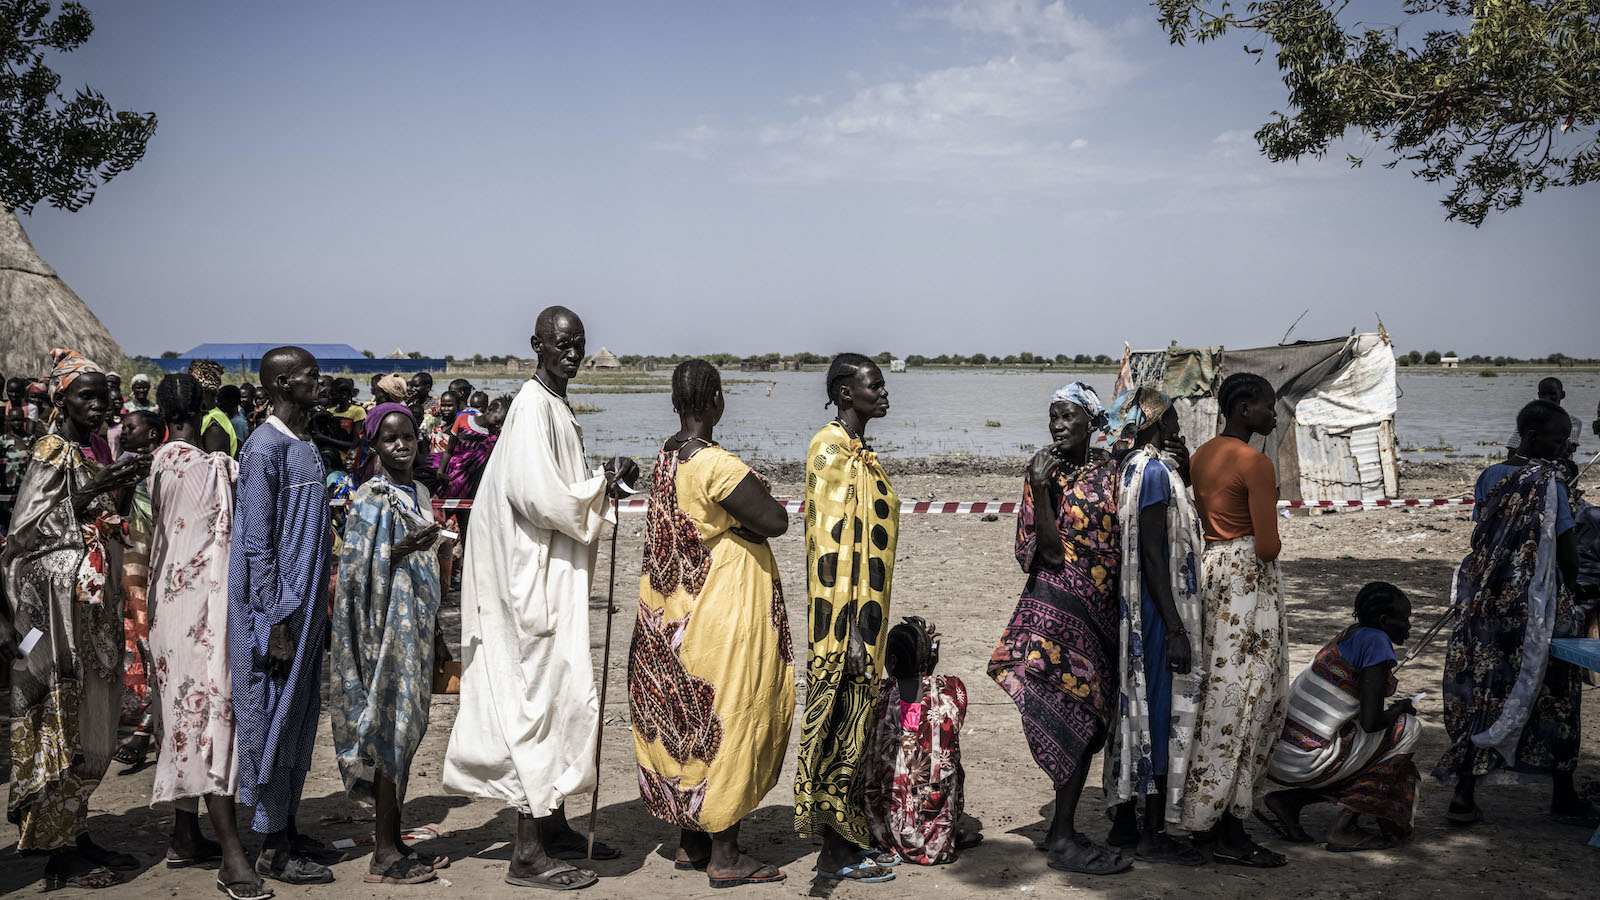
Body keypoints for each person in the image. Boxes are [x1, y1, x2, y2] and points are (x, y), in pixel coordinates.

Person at [443, 306, 638, 891]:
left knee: (558, 693)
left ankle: (552, 827)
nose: (572, 353)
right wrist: (603, 481)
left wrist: (600, 480)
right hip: (528, 585)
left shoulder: (554, 404)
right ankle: (527, 854)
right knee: (537, 703)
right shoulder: (531, 407)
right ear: (537, 345)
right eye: (562, 344)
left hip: (546, 575)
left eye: (578, 343)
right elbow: (541, 498)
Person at [629, 360, 792, 889]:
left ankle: (691, 840)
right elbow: (776, 519)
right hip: (721, 613)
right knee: (732, 717)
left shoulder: (667, 455)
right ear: (715, 399)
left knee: (688, 721)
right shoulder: (714, 464)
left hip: (674, 612)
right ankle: (726, 856)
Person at [0, 349, 150, 890]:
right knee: (59, 722)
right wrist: (91, 491)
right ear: (60, 397)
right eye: (86, 396)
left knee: (92, 723)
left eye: (102, 396)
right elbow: (25, 532)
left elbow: (99, 516)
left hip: (88, 609)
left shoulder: (85, 450)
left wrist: (118, 487)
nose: (99, 404)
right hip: (55, 612)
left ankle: (76, 830)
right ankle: (57, 850)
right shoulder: (50, 450)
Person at [1435, 399, 1600, 827]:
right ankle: (1562, 795)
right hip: (1538, 602)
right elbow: (1564, 546)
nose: (1565, 448)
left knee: (1485, 689)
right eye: (1558, 439)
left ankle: (1464, 795)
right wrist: (1571, 588)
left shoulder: (1490, 475)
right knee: (1558, 692)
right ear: (1531, 437)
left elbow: (1484, 533)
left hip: (1485, 599)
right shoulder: (1550, 482)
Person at [989, 382, 1128, 876]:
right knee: (1076, 712)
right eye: (1052, 417)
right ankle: (1065, 838)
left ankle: (1060, 829)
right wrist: (1043, 491)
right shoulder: (1041, 472)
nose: (1058, 425)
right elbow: (1044, 552)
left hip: (1101, 614)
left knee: (1093, 720)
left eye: (1068, 416)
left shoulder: (1111, 469)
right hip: (1055, 612)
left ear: (1091, 421)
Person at [143, 373, 269, 899]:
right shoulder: (215, 466)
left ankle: (185, 833)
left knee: (179, 715)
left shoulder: (159, 462)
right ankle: (231, 855)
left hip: (167, 608)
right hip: (203, 608)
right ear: (206, 406)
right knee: (211, 716)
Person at [228, 346, 337, 886]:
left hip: (308, 608)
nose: (320, 382)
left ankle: (289, 827)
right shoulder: (263, 448)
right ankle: (272, 845)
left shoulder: (306, 444)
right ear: (280, 382)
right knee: (273, 718)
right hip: (280, 613)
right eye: (310, 376)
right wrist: (272, 620)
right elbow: (254, 542)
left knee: (298, 718)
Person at [331, 403, 449, 886]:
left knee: (407, 736)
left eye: (409, 437)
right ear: (375, 446)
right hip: (384, 633)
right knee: (386, 735)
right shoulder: (369, 498)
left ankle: (396, 839)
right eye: (390, 439)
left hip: (417, 628)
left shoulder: (417, 491)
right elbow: (355, 575)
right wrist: (402, 548)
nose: (402, 445)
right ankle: (382, 855)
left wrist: (439, 634)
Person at [795, 353, 901, 884]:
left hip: (866, 620)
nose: (884, 394)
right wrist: (852, 632)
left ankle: (847, 839)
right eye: (874, 386)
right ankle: (834, 853)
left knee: (853, 733)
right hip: (844, 625)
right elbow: (831, 549)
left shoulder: (858, 450)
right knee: (841, 732)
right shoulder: (830, 451)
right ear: (844, 394)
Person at [1179, 372, 1289, 868]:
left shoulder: (1201, 454)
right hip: (1248, 582)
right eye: (1268, 406)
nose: (1273, 414)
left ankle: (1202, 815)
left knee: (1215, 695)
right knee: (1249, 698)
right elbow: (1267, 545)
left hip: (1211, 571)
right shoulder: (1257, 463)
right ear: (1245, 408)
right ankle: (1230, 829)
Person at [1102, 388, 1206, 866]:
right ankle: (1154, 831)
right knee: (1160, 713)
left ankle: (1125, 822)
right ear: (1155, 424)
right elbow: (1154, 553)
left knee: (1134, 709)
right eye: (1172, 420)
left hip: (1135, 607)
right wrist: (1175, 626)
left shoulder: (1126, 469)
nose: (1178, 429)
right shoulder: (1156, 473)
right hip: (1155, 610)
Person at [1262, 582, 1422, 851]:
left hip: (1280, 752)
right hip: (1304, 759)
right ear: (1384, 620)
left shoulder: (1352, 633)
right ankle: (1344, 827)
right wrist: (1400, 708)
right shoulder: (1376, 642)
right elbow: (1372, 723)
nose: (1409, 627)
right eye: (1405, 619)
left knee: (1365, 744)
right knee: (1407, 729)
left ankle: (1290, 802)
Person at [865, 617, 975, 865]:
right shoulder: (951, 690)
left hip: (887, 832)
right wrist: (926, 663)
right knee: (947, 759)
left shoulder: (880, 696)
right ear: (930, 660)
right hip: (938, 836)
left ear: (890, 661)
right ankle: (938, 827)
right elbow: (927, 695)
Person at [112, 409, 165, 768]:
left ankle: (148, 726)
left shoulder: (164, 468)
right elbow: (118, 515)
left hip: (158, 563)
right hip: (133, 561)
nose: (123, 433)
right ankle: (148, 722)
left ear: (151, 435)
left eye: (131, 428)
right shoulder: (125, 469)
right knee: (141, 640)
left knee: (154, 643)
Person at [1507, 377, 1581, 460]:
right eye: (1543, 394)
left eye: (1552, 394)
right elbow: (1512, 449)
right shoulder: (1529, 419)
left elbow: (1570, 449)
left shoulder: (1572, 421)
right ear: (1539, 395)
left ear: (1562, 395)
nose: (1547, 398)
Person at [189, 360, 238, 458]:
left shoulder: (214, 424)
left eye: (200, 391)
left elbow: (217, 469)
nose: (194, 395)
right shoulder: (203, 415)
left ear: (213, 394)